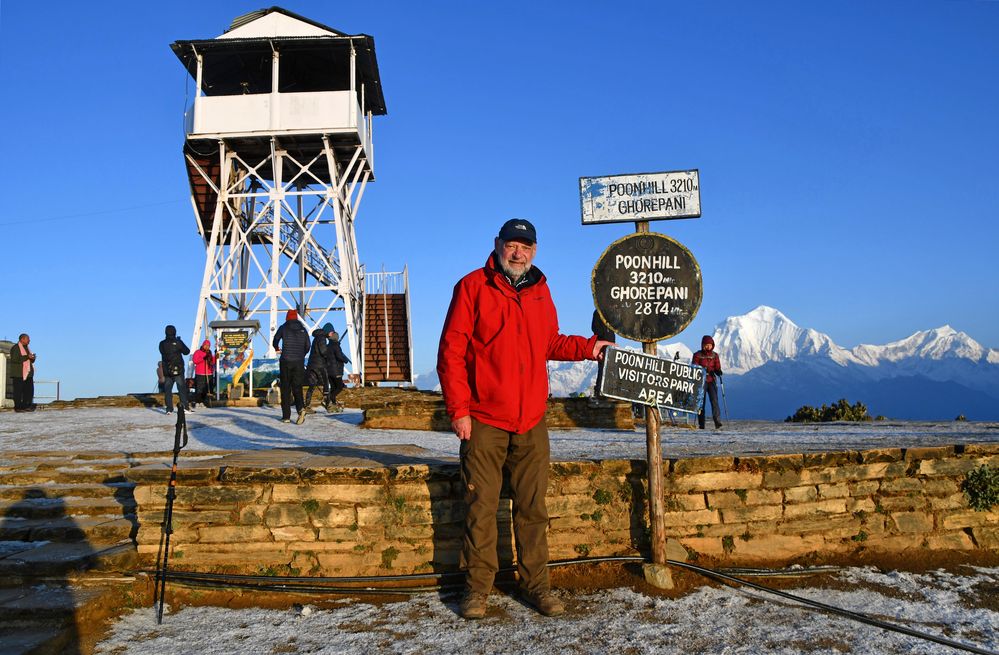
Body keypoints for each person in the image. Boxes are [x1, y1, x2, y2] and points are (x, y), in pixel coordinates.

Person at [437, 218, 613, 620]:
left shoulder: (540, 290)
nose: (519, 253)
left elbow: (549, 341)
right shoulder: (471, 287)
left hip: (531, 419)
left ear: (535, 251)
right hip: (484, 417)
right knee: (481, 506)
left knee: (533, 508)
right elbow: (451, 353)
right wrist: (459, 411)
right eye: (512, 245)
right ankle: (477, 590)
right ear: (497, 245)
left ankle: (536, 586)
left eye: (526, 247)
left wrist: (591, 348)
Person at [272, 309, 309, 424]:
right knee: (297, 388)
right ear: (297, 318)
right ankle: (300, 409)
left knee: (286, 389)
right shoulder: (303, 329)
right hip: (299, 362)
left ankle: (286, 417)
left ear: (287, 317)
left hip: (286, 361)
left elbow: (275, 340)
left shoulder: (284, 327)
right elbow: (308, 345)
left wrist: (277, 349)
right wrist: (301, 355)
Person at [692, 335, 723, 429]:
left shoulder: (715, 355)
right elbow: (694, 366)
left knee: (714, 401)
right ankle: (701, 424)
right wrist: (706, 369)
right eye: (706, 345)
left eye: (710, 345)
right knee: (701, 402)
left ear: (712, 345)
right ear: (702, 345)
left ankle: (717, 422)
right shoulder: (697, 355)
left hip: (712, 381)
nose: (708, 347)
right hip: (701, 381)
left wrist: (718, 371)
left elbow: (717, 367)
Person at [159, 325, 190, 415]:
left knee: (168, 390)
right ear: (175, 332)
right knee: (181, 389)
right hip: (178, 369)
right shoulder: (178, 342)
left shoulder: (162, 343)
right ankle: (185, 407)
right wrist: (179, 342)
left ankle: (169, 409)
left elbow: (162, 352)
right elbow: (186, 351)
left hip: (167, 370)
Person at [590, 310, 616, 403]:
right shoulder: (598, 312)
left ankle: (608, 391)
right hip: (602, 344)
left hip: (610, 343)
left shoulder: (610, 313)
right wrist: (603, 334)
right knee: (602, 367)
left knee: (609, 368)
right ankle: (599, 391)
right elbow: (594, 328)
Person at [324, 324, 350, 410]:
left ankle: (333, 403)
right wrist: (345, 360)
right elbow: (339, 356)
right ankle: (329, 397)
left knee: (333, 387)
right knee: (339, 387)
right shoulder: (336, 345)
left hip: (329, 371)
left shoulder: (327, 346)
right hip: (336, 371)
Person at [303, 326, 329, 414]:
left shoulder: (316, 338)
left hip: (311, 365)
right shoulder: (322, 338)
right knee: (326, 383)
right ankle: (328, 404)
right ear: (328, 332)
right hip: (320, 365)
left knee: (312, 386)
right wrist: (329, 356)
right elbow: (323, 351)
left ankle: (307, 405)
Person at [10, 334, 36, 412]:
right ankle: (18, 407)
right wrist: (27, 357)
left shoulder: (27, 348)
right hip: (19, 374)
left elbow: (29, 360)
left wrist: (32, 358)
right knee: (18, 391)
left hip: (28, 374)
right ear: (22, 339)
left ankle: (26, 406)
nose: (29, 340)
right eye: (28, 339)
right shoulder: (16, 348)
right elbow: (15, 359)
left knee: (28, 391)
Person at [191, 340, 216, 409]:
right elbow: (195, 361)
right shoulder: (198, 352)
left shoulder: (210, 353)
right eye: (206, 345)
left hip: (209, 373)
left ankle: (202, 401)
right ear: (203, 345)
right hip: (200, 373)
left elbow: (213, 362)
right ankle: (197, 402)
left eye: (208, 346)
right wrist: (203, 358)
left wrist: (215, 357)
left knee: (206, 389)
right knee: (199, 389)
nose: (207, 347)